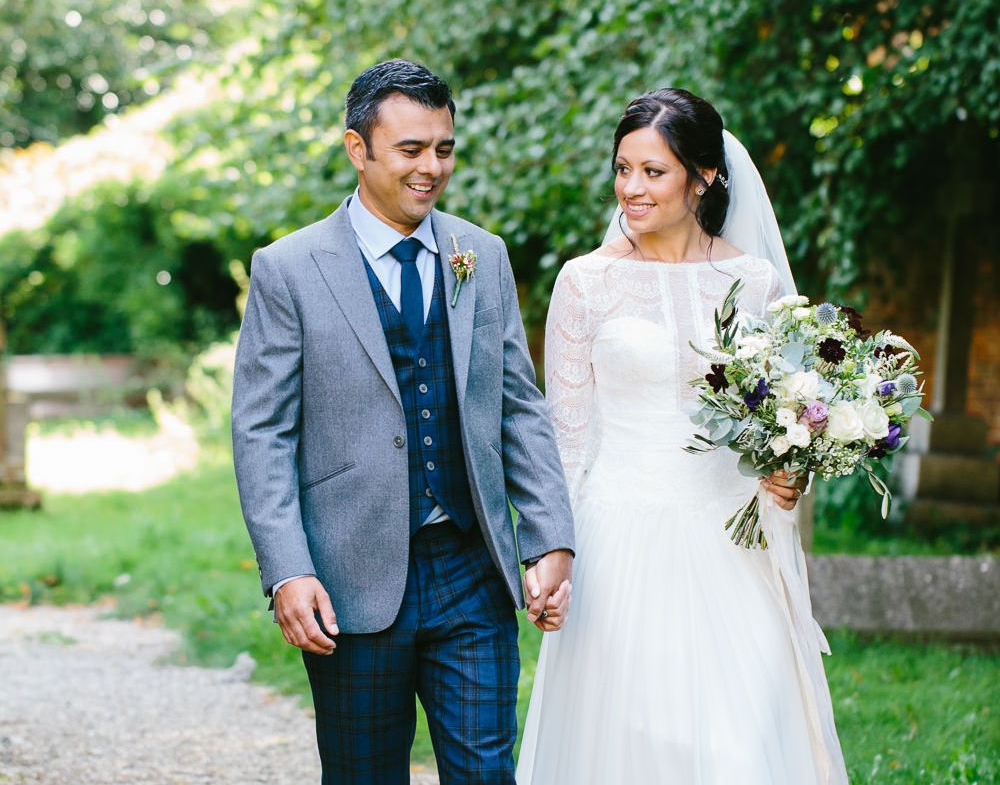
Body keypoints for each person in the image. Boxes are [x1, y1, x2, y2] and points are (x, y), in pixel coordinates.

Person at [232, 59, 575, 784]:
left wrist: (549, 537)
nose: (432, 169)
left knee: (486, 774)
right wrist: (288, 569)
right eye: (411, 150)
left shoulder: (481, 255)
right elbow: (262, 433)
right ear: (358, 149)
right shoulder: (289, 269)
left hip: (471, 570)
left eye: (444, 149)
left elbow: (519, 404)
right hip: (350, 578)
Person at [516, 88, 848, 784]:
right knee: (638, 743)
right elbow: (565, 439)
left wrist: (789, 473)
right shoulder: (585, 282)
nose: (631, 189)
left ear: (705, 177)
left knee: (739, 746)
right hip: (619, 540)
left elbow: (780, 417)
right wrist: (552, 551)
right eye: (622, 169)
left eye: (653, 172)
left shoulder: (754, 284)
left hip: (735, 539)